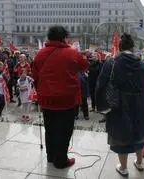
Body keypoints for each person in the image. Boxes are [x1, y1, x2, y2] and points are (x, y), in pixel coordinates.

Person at [32, 26, 89, 169]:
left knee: (50, 128)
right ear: (64, 37)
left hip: (46, 99)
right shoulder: (71, 52)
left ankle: (51, 156)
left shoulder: (39, 54)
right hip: (66, 100)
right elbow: (84, 65)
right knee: (64, 130)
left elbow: (35, 75)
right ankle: (61, 160)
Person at [96, 33, 144, 177]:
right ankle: (139, 163)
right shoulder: (142, 65)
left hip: (118, 104)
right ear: (132, 47)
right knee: (139, 131)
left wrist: (101, 105)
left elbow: (101, 85)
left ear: (119, 47)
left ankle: (124, 168)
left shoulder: (111, 63)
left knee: (121, 133)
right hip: (138, 104)